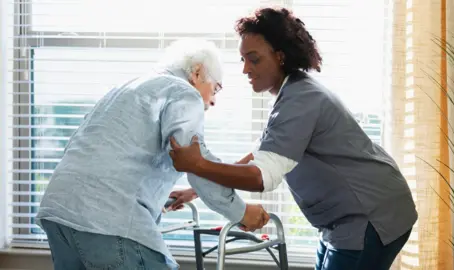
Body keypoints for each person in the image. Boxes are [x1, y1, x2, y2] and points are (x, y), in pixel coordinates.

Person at [168, 7, 418, 270]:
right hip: (346, 219)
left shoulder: (300, 99)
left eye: (253, 59)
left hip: (371, 215)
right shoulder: (291, 94)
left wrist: (197, 165)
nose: (245, 70)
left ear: (280, 57)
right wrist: (196, 190)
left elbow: (262, 176)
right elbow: (259, 156)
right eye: (243, 59)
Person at [35, 39, 269, 270]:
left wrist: (155, 198)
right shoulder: (183, 93)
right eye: (216, 87)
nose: (215, 100)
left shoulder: (124, 90)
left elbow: (100, 156)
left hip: (59, 214)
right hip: (107, 221)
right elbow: (196, 161)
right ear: (197, 72)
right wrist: (241, 212)